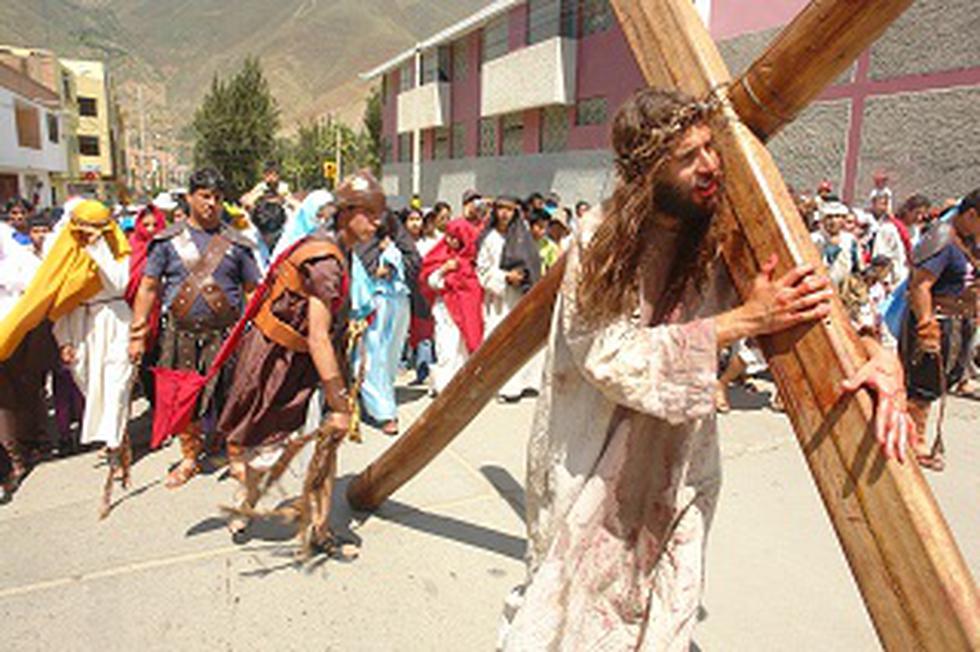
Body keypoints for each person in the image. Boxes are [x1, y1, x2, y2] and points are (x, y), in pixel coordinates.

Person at [498, 87, 912, 650]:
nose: (710, 164)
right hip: (587, 458)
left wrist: (876, 353)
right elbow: (607, 355)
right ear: (647, 168)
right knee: (568, 609)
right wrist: (738, 323)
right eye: (688, 156)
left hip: (677, 463)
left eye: (711, 148)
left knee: (666, 600)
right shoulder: (599, 240)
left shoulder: (721, 234)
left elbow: (817, 303)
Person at [219, 171, 385, 544]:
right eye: (369, 213)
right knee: (266, 446)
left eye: (379, 214)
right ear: (346, 213)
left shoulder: (341, 250)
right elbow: (317, 334)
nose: (376, 222)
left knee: (326, 442)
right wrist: (340, 403)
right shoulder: (325, 259)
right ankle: (244, 502)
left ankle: (319, 527)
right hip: (283, 360)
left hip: (316, 357)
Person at [129, 168, 261, 488]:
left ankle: (235, 455)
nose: (211, 203)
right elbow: (148, 288)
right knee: (183, 397)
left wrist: (257, 335)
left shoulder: (238, 244)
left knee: (232, 398)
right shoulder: (166, 242)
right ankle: (189, 457)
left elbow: (253, 291)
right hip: (180, 335)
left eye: (217, 197)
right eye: (204, 196)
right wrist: (137, 334)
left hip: (226, 336)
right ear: (189, 197)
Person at [51, 200, 135, 517]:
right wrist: (65, 340)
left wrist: (97, 252)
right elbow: (61, 300)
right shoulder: (66, 255)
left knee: (116, 386)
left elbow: (118, 283)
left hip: (115, 321)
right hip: (82, 325)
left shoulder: (117, 251)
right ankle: (118, 437)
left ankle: (113, 459)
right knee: (91, 385)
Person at [901, 189, 980, 471]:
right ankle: (915, 441)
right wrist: (925, 327)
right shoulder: (942, 238)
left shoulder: (969, 240)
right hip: (937, 320)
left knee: (944, 381)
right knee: (924, 386)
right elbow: (920, 286)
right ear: (971, 214)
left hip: (960, 322)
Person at [477, 196, 542, 402]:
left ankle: (527, 382)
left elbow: (533, 262)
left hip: (521, 295)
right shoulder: (489, 238)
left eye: (509, 209)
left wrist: (524, 276)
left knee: (522, 340)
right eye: (501, 209)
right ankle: (506, 387)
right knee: (501, 341)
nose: (505, 213)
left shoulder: (523, 237)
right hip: (499, 298)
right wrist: (505, 277)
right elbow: (482, 269)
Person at [354, 212, 413, 435]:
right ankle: (384, 412)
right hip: (373, 305)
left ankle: (380, 402)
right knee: (370, 358)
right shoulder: (359, 243)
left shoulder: (394, 245)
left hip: (395, 305)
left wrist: (390, 256)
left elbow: (410, 262)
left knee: (388, 359)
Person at [420, 219, 484, 395]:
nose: (451, 241)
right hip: (445, 309)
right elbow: (431, 281)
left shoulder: (473, 259)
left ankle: (462, 385)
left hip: (467, 310)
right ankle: (443, 385)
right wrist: (444, 270)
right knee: (446, 347)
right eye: (449, 236)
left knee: (463, 348)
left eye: (456, 237)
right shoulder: (439, 255)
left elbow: (476, 284)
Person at [873, 193, 930, 286]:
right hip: (892, 282)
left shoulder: (915, 230)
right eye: (917, 213)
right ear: (907, 210)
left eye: (923, 214)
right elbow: (879, 257)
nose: (919, 218)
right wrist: (885, 282)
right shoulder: (888, 229)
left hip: (907, 280)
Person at [811, 198, 861, 288]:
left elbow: (856, 268)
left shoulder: (849, 240)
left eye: (837, 216)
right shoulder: (814, 239)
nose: (834, 221)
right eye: (829, 217)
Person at [528, 209, 559, 275]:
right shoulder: (520, 242)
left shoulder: (550, 246)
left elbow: (552, 268)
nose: (543, 231)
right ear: (530, 225)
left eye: (546, 228)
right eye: (540, 227)